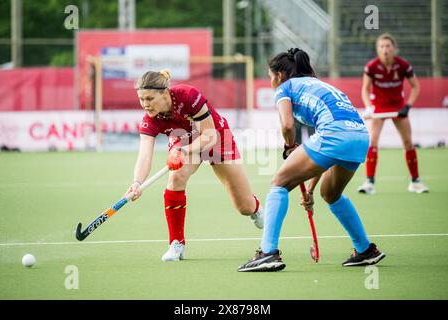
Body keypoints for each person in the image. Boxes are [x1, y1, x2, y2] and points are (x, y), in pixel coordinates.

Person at [238, 48, 386, 272]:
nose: (271, 81)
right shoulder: (320, 85)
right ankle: (365, 250)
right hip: (358, 136)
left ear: (279, 75)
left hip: (334, 134)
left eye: (270, 76)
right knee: (331, 193)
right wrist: (310, 189)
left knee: (279, 183)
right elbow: (321, 156)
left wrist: (289, 147)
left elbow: (287, 125)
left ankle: (268, 253)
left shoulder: (285, 87)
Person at [125, 70, 264, 261]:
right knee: (176, 177)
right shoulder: (150, 119)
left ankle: (255, 208)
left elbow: (209, 136)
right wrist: (137, 182)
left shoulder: (187, 96)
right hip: (183, 139)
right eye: (141, 99)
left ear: (165, 93)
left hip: (215, 136)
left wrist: (184, 151)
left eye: (149, 98)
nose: (145, 104)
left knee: (244, 207)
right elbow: (144, 155)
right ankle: (176, 244)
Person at [358, 33, 429, 195]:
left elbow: (416, 87)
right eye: (381, 47)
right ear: (377, 49)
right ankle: (369, 182)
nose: (385, 50)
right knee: (373, 142)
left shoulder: (403, 65)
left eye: (388, 46)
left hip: (398, 107)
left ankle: (415, 182)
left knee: (408, 143)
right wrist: (369, 107)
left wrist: (408, 106)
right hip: (379, 108)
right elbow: (365, 89)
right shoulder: (371, 66)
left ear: (394, 49)